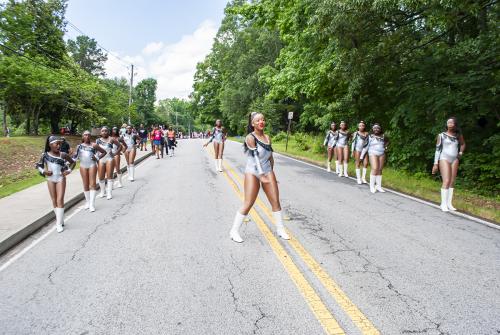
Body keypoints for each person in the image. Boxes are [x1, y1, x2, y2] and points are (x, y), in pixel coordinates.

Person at [229, 112, 290, 243]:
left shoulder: (267, 137)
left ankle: (280, 229)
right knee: (248, 203)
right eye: (257, 120)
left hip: (267, 171)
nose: (261, 122)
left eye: (262, 119)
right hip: (253, 172)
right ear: (252, 124)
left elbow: (270, 157)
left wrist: (271, 174)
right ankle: (234, 231)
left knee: (275, 201)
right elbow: (256, 157)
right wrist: (261, 175)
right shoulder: (250, 137)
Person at [35, 136, 76, 232]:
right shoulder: (45, 155)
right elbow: (38, 166)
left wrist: (68, 171)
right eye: (56, 144)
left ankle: (58, 224)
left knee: (60, 199)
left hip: (60, 178)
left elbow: (73, 163)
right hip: (50, 179)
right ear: (50, 145)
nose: (58, 146)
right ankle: (60, 220)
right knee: (54, 200)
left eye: (59, 144)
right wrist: (44, 172)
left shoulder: (63, 155)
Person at [432, 117, 466, 212]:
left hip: (454, 159)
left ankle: (449, 203)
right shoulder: (441, 135)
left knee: (452, 181)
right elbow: (437, 150)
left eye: (451, 122)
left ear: (455, 124)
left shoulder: (458, 135)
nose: (449, 123)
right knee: (446, 180)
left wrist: (460, 153)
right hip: (444, 158)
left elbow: (463, 144)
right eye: (448, 122)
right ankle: (443, 204)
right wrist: (435, 163)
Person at [73, 131, 106, 212]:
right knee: (85, 184)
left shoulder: (94, 145)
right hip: (83, 166)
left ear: (90, 136)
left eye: (88, 135)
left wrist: (97, 158)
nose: (87, 136)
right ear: (82, 136)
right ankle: (87, 202)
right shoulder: (79, 146)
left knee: (92, 184)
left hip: (92, 165)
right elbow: (75, 157)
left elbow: (104, 152)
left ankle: (92, 204)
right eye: (85, 135)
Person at [361, 124, 389, 193]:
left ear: (380, 129)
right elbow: (366, 147)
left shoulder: (383, 136)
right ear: (373, 129)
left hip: (382, 154)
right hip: (373, 153)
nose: (376, 129)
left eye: (378, 128)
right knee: (375, 168)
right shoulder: (370, 136)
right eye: (375, 128)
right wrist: (361, 156)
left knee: (380, 169)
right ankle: (372, 186)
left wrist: (386, 147)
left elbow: (387, 142)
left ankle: (378, 186)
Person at [96, 127, 122, 200]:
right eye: (103, 131)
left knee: (109, 176)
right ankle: (102, 191)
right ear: (100, 133)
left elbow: (120, 146)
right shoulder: (97, 141)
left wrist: (115, 153)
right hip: (101, 159)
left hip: (109, 158)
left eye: (106, 131)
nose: (104, 132)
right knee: (101, 177)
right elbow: (95, 150)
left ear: (108, 132)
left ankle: (109, 193)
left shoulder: (112, 139)